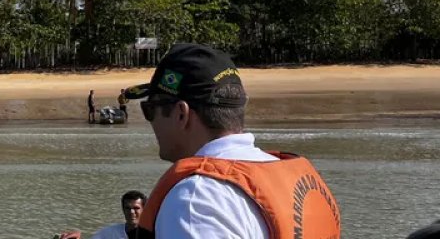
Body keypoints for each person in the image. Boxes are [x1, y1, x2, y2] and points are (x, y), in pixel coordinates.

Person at [126, 43, 341, 238]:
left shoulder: (196, 201)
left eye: (150, 110)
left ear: (181, 114)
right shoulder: (296, 181)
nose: (150, 122)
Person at [58, 190, 146, 239]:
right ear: (123, 209)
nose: (131, 212)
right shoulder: (109, 233)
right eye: (127, 208)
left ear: (144, 210)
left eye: (136, 208)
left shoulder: (155, 233)